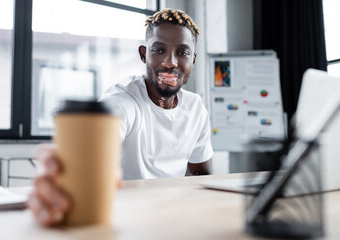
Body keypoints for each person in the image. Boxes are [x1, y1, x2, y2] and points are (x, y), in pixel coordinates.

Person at [27, 8, 213, 226]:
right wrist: (67, 172)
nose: (170, 62)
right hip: (124, 217)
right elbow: (92, 144)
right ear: (144, 54)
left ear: (194, 59)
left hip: (171, 216)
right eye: (159, 50)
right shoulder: (123, 101)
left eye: (182, 52)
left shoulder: (196, 108)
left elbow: (203, 176)